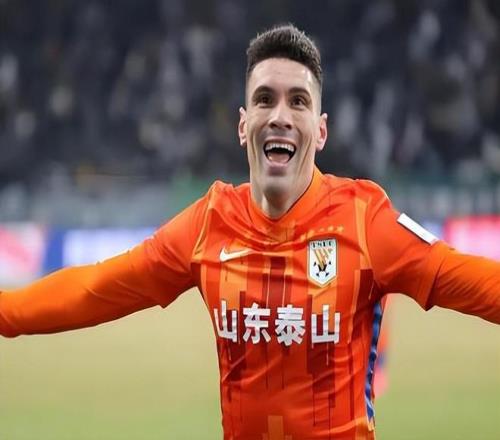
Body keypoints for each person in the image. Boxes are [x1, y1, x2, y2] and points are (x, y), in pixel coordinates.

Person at [1, 24, 499, 440]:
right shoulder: (209, 224)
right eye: (265, 100)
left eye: (298, 102)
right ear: (243, 125)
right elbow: (94, 289)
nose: (280, 116)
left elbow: (468, 280)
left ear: (320, 130)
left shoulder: (364, 220)